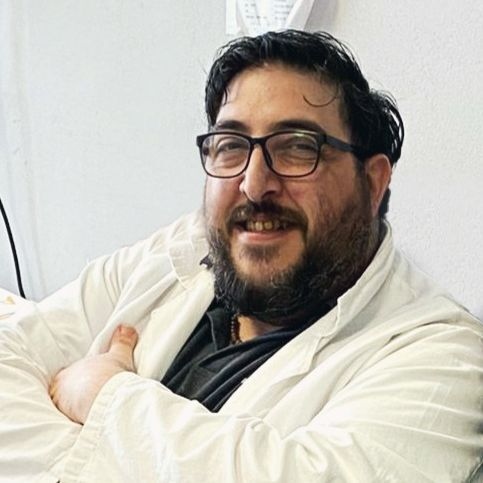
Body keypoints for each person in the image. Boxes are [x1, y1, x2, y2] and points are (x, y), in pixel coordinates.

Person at [1, 30, 482, 483]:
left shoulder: (444, 356)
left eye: (297, 148)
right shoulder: (182, 250)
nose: (254, 184)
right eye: (231, 146)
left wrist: (106, 397)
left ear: (373, 182)